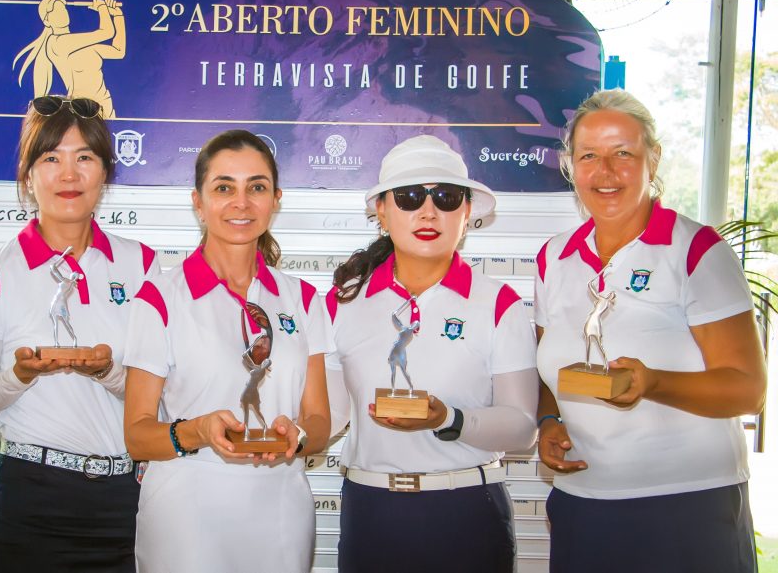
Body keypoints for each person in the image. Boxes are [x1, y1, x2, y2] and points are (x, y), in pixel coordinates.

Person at [535, 89, 766, 573]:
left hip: (686, 508)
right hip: (584, 503)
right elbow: (549, 366)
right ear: (570, 166)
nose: (606, 171)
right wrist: (548, 422)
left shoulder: (696, 250)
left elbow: (747, 389)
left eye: (624, 153)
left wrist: (653, 382)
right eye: (589, 156)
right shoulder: (553, 257)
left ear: (652, 159)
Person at [0, 95, 159, 572]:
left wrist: (109, 372)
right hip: (32, 497)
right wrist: (21, 375)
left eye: (84, 158)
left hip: (126, 499)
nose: (68, 175)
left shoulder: (145, 266)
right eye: (51, 158)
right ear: (29, 174)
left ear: (105, 173)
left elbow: (162, 397)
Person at [325, 135, 538, 573]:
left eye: (445, 197)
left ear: (466, 212)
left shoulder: (499, 303)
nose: (427, 212)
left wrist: (448, 419)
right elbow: (327, 416)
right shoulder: (340, 303)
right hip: (371, 513)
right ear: (381, 211)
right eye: (407, 197)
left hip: (467, 513)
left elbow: (521, 429)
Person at [123, 130, 331, 573]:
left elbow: (319, 419)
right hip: (186, 519)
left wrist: (298, 434)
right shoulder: (160, 296)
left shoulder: (305, 300)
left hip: (280, 515)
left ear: (275, 199)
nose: (241, 203)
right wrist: (198, 431)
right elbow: (137, 434)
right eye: (223, 188)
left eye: (256, 187)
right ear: (198, 202)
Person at [13, 0, 126, 118]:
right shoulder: (56, 43)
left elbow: (118, 51)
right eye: (56, 11)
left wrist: (118, 16)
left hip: (105, 106)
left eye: (63, 9)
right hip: (81, 112)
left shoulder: (83, 45)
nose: (62, 13)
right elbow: (106, 32)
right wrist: (102, 8)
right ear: (46, 21)